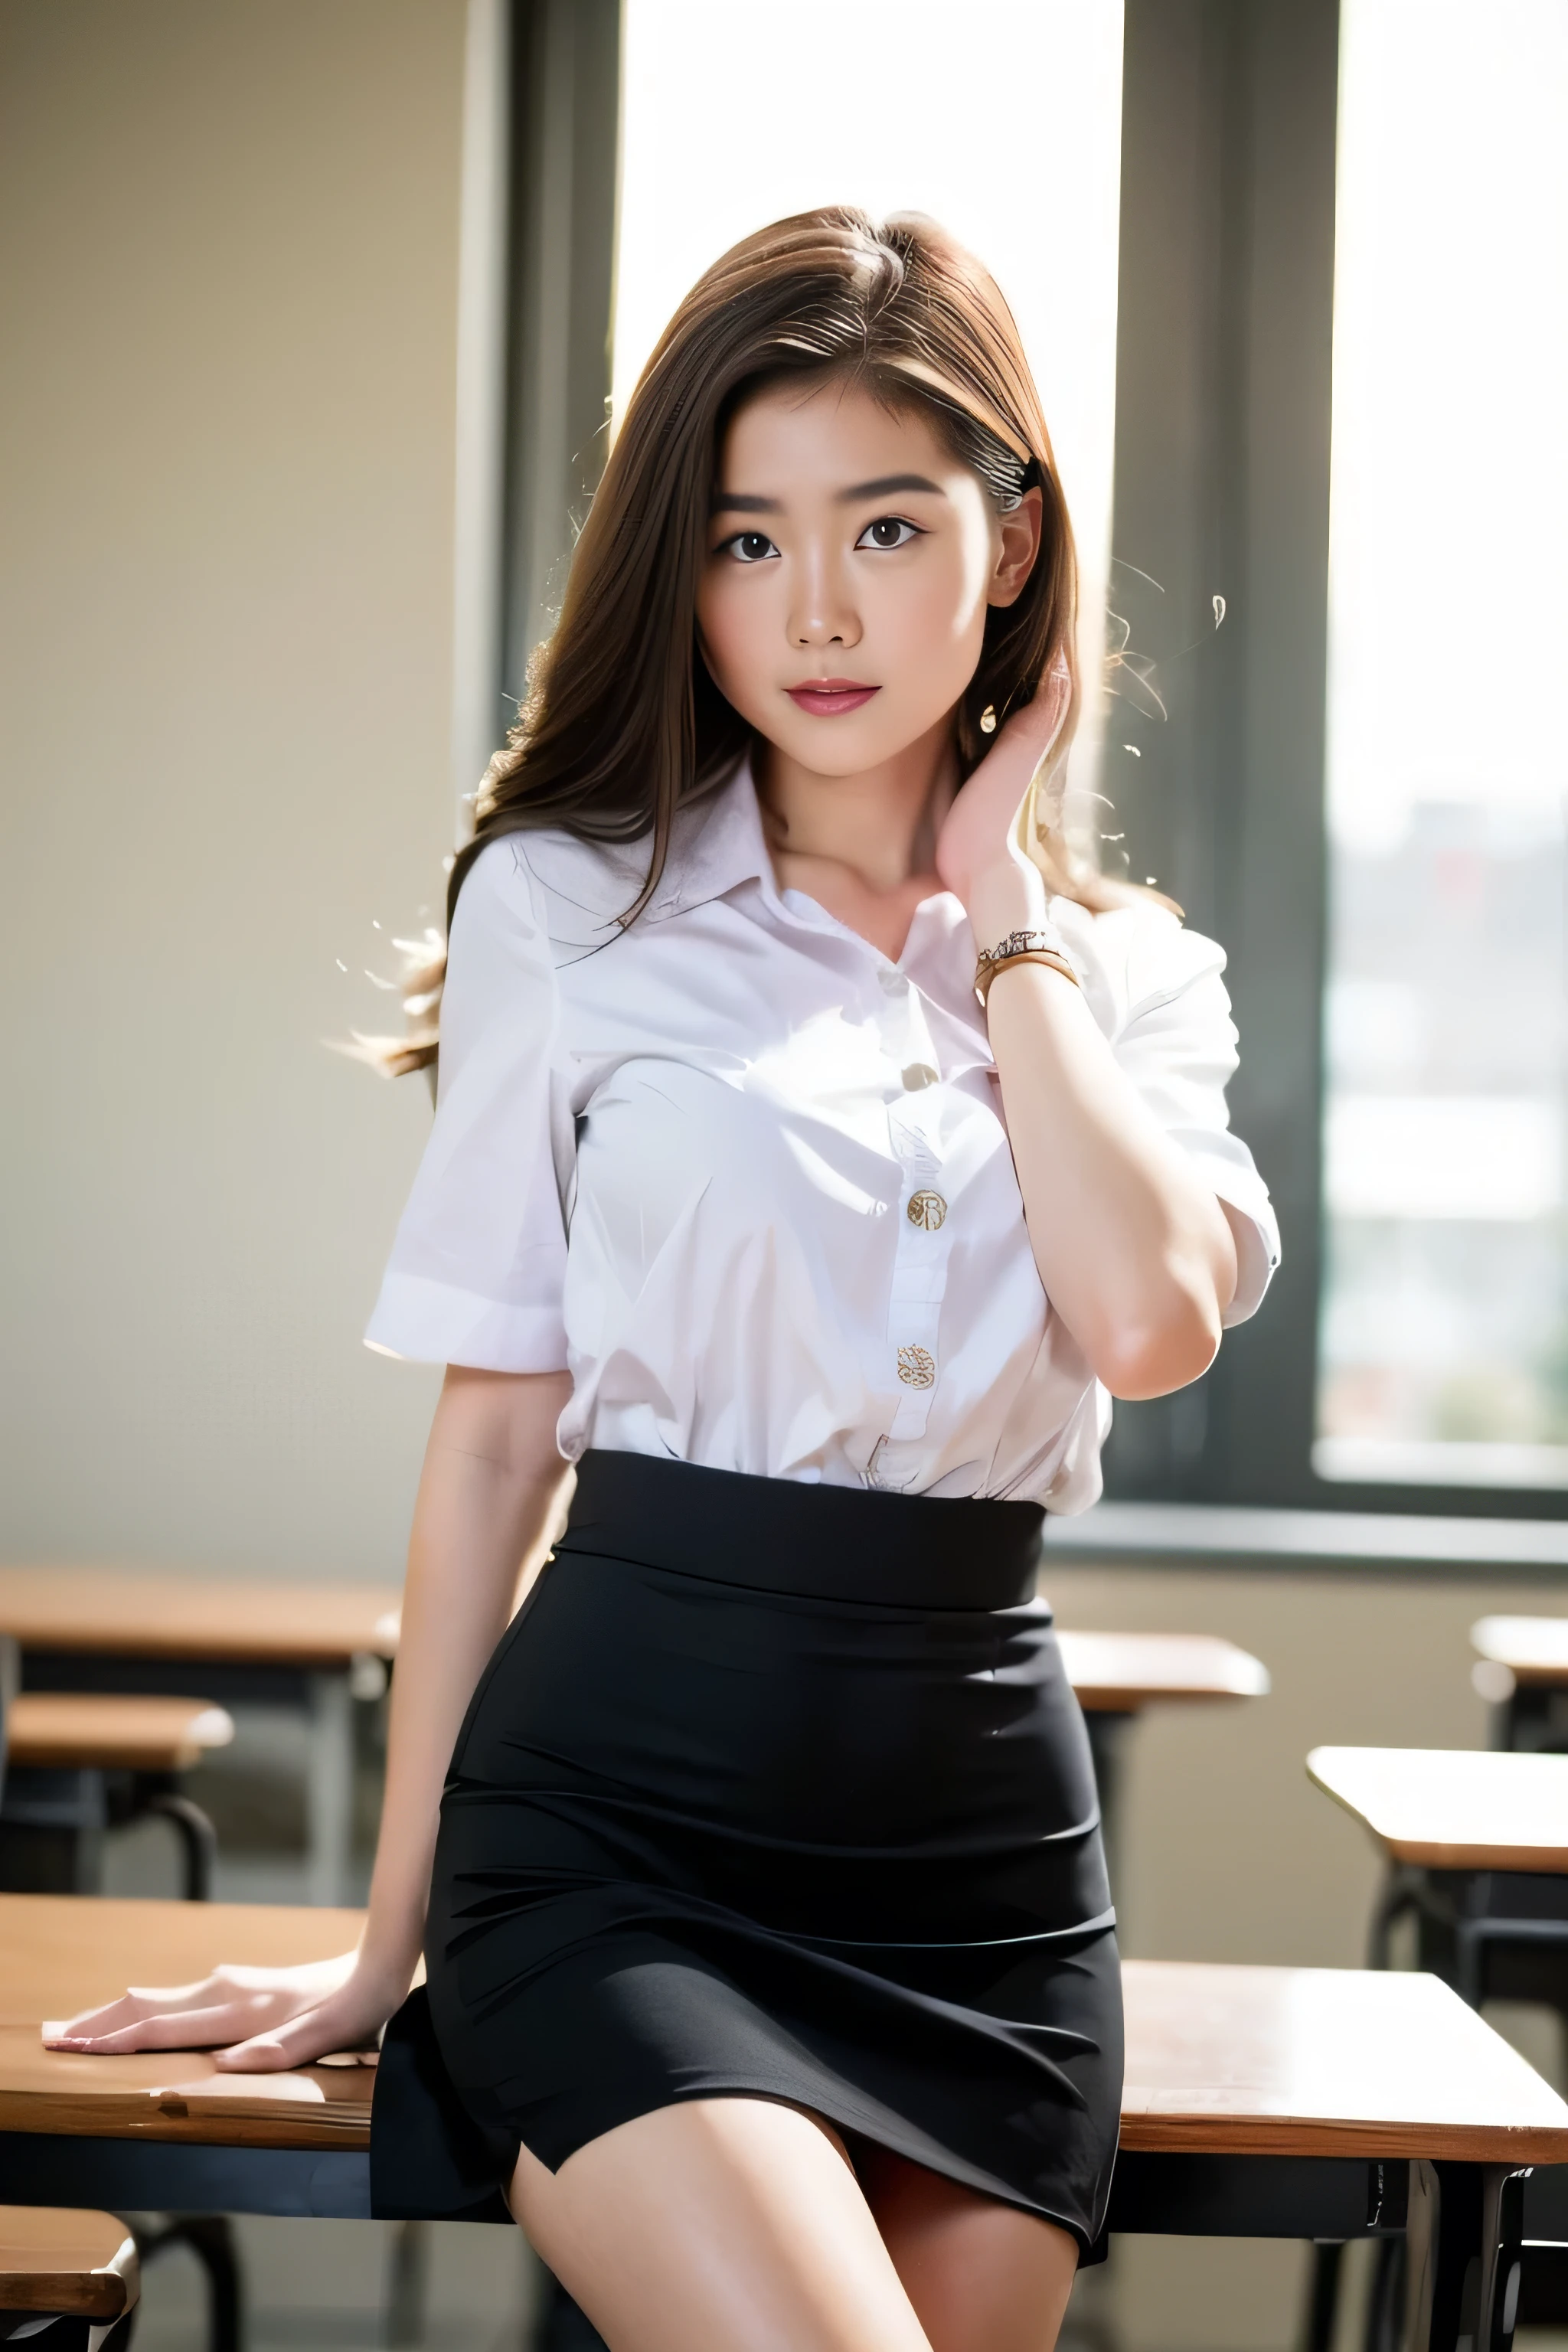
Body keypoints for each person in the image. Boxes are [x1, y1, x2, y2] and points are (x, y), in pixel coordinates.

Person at [52, 210, 1279, 2352]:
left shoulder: (1130, 978)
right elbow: (495, 1434)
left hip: (979, 1866)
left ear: (1006, 550)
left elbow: (1154, 1324)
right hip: (621, 1833)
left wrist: (1000, 909)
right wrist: (382, 1937)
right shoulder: (573, 907)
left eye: (884, 528)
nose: (813, 608)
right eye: (741, 540)